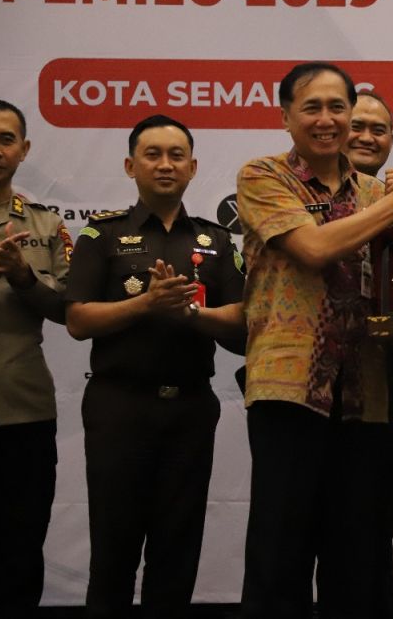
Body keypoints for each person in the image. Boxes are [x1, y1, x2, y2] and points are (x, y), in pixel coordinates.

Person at [236, 62, 393, 619]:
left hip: (367, 392)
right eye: (312, 107)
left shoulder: (376, 190)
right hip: (289, 390)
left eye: (337, 107)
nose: (327, 119)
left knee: (359, 556)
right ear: (286, 116)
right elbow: (314, 249)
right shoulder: (263, 176)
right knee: (280, 553)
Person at [65, 114, 245, 619]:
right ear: (131, 166)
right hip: (119, 408)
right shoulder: (102, 235)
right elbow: (77, 320)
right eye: (153, 154)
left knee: (177, 548)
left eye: (176, 155)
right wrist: (145, 304)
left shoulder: (217, 240)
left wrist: (191, 314)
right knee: (114, 548)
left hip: (190, 409)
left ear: (193, 167)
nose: (165, 164)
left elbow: (243, 322)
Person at [0, 99, 71, 618]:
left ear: (24, 150)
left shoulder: (46, 224)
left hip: (27, 408)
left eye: (6, 139)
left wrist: (24, 277)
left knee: (21, 544)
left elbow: (69, 308)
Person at [340, 89, 393, 614]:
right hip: (310, 383)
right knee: (306, 525)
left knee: (372, 523)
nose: (367, 137)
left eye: (379, 129)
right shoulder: (294, 195)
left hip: (385, 376)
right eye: (357, 125)